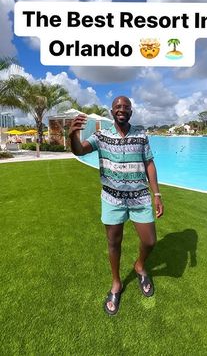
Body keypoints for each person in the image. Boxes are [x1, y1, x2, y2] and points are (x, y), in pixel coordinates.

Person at [69, 96, 164, 315]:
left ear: (131, 111)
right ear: (112, 111)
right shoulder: (101, 135)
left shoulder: (141, 134)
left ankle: (139, 265)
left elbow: (149, 162)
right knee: (114, 242)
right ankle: (116, 283)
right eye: (118, 107)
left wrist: (156, 194)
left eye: (126, 107)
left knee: (150, 241)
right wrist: (73, 134)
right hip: (112, 198)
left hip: (140, 197)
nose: (122, 109)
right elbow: (80, 150)